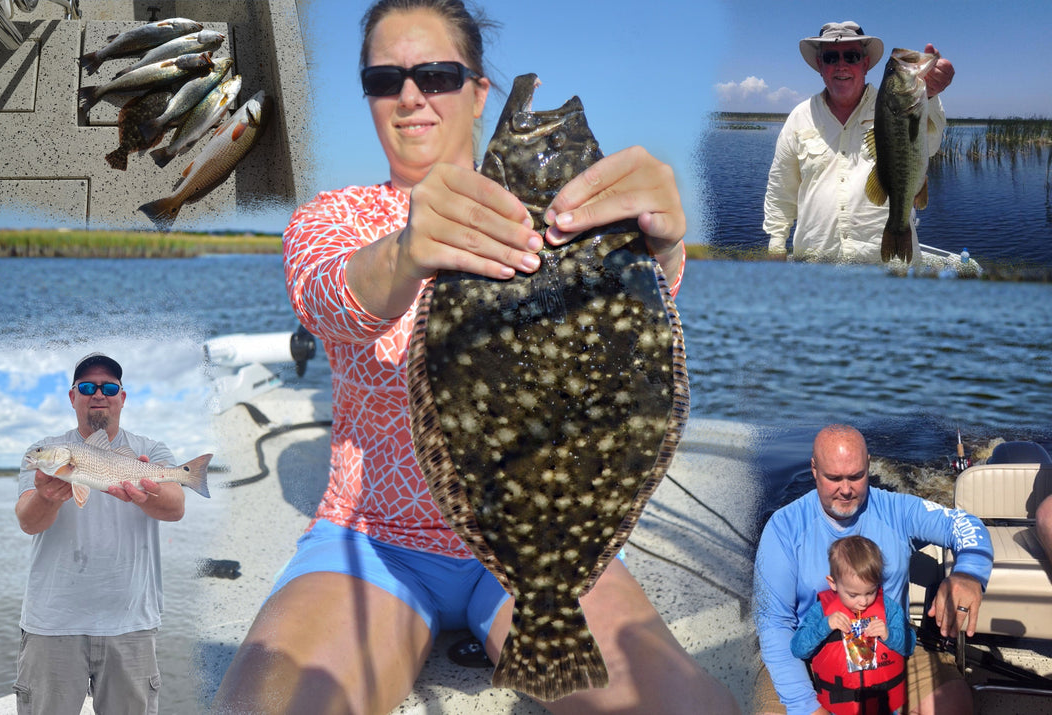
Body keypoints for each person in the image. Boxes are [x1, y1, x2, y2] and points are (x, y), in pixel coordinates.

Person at [212, 1, 737, 713]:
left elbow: (639, 330)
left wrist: (660, 244)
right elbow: (327, 299)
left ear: (480, 89)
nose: (410, 96)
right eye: (384, 78)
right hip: (376, 541)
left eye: (436, 74)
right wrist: (408, 248)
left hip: (546, 545)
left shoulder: (578, 226)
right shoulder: (332, 218)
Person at [752, 424, 992, 715]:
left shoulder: (897, 510)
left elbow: (964, 524)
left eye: (856, 476)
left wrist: (969, 573)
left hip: (890, 648)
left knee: (953, 703)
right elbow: (774, 625)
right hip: (809, 658)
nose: (846, 489)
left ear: (869, 465)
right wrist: (806, 706)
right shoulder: (783, 528)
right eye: (833, 478)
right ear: (814, 469)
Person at [14, 352, 187, 714]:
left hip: (131, 622)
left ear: (122, 397)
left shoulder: (150, 451)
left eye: (109, 387)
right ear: (72, 396)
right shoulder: (42, 453)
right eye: (87, 386)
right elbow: (29, 522)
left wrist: (146, 493)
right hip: (52, 623)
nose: (99, 394)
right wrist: (47, 496)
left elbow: (175, 507)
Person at [763, 21, 956, 266]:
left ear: (865, 64)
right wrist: (776, 245)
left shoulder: (893, 103)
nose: (841, 65)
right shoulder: (799, 117)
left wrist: (929, 93)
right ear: (820, 65)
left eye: (852, 56)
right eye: (831, 57)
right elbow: (781, 189)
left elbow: (931, 142)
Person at [790, 535, 915, 715]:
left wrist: (889, 634)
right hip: (839, 706)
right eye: (853, 595)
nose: (863, 602)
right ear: (833, 583)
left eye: (870, 592)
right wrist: (825, 626)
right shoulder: (820, 612)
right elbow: (798, 649)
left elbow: (909, 645)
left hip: (885, 706)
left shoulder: (888, 608)